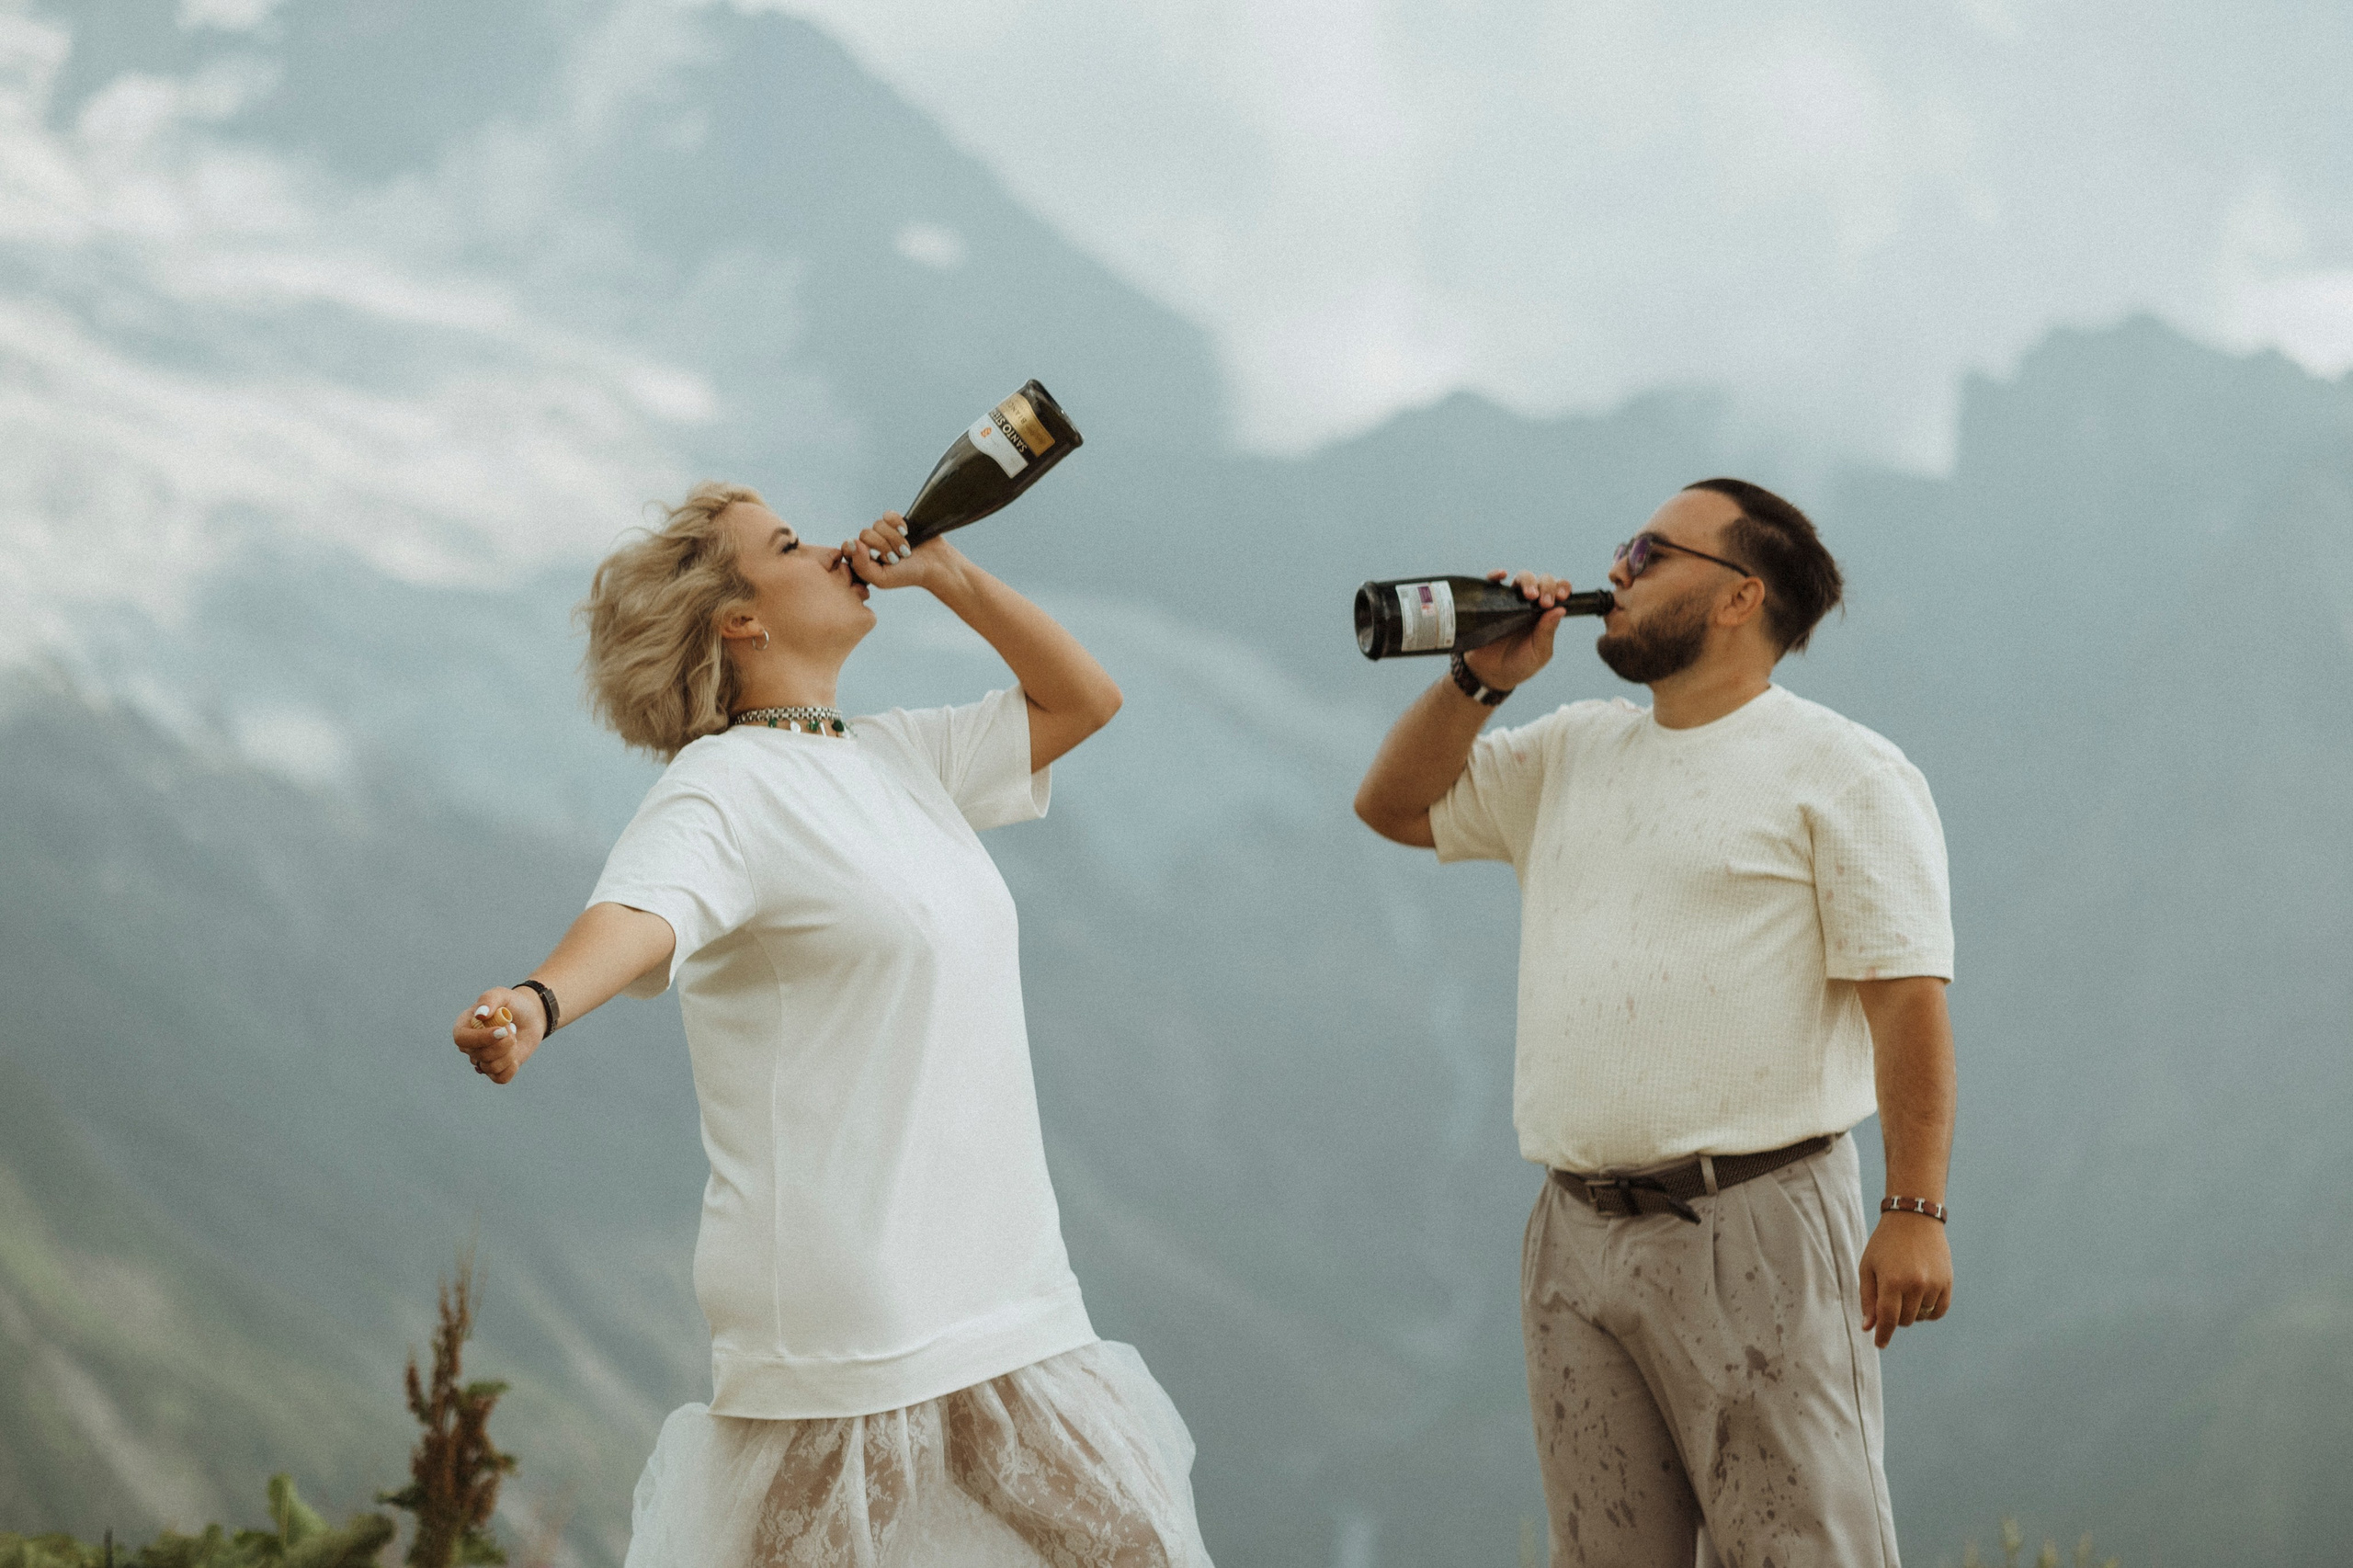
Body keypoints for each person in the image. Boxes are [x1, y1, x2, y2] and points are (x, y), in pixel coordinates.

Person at [451, 483, 1214, 1568]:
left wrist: (948, 576)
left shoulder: (898, 757)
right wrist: (536, 1001)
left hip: (1002, 1281)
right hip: (848, 1306)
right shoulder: (722, 787)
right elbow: (636, 911)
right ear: (740, 620)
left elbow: (1081, 698)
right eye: (788, 544)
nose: (831, 549)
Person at [1353, 479, 1955, 1567]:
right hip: (1574, 1229)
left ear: (1738, 598)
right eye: (1623, 548)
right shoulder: (1572, 746)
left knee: (1798, 1547)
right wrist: (1477, 678)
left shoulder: (1846, 771)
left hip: (1756, 1219)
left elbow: (1906, 994)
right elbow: (1391, 804)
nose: (1615, 570)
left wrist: (1914, 1206)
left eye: (1648, 551)